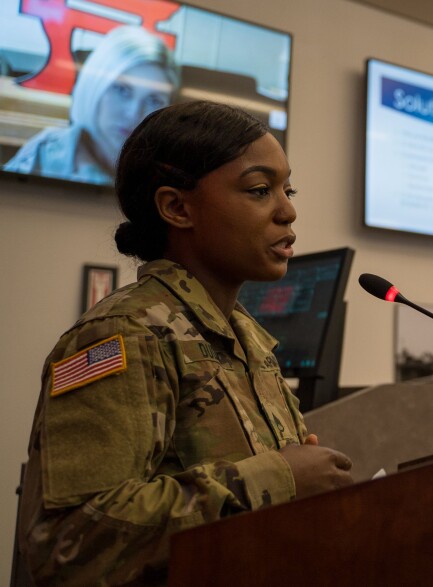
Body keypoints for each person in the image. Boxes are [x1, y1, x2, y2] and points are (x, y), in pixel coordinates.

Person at [17, 100, 354, 585]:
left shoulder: (244, 339)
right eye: (260, 190)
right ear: (177, 207)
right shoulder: (121, 335)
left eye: (288, 188)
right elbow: (70, 543)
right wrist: (281, 477)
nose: (287, 210)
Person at [4, 25, 178, 185]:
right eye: (122, 90)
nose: (134, 113)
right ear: (95, 87)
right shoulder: (45, 154)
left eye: (154, 100)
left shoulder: (169, 177)